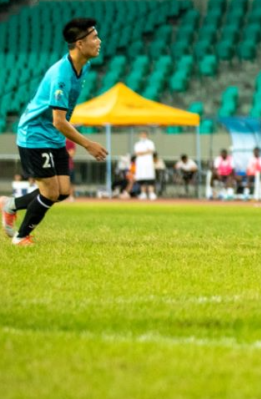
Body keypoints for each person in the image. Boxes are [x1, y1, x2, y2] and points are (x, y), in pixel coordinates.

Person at [0, 18, 108, 245]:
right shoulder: (61, 75)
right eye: (94, 37)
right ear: (79, 43)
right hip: (35, 134)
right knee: (49, 193)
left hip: (53, 135)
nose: (99, 41)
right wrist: (88, 144)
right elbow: (58, 121)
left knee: (63, 192)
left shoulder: (84, 66)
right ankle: (21, 237)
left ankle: (10, 205)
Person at [133, 130, 157, 200]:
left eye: (144, 135)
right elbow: (137, 153)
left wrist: (142, 153)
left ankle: (151, 193)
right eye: (142, 135)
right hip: (140, 164)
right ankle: (143, 193)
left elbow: (151, 151)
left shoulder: (150, 143)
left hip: (148, 163)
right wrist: (146, 151)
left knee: (150, 178)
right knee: (141, 179)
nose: (143, 136)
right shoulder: (137, 144)